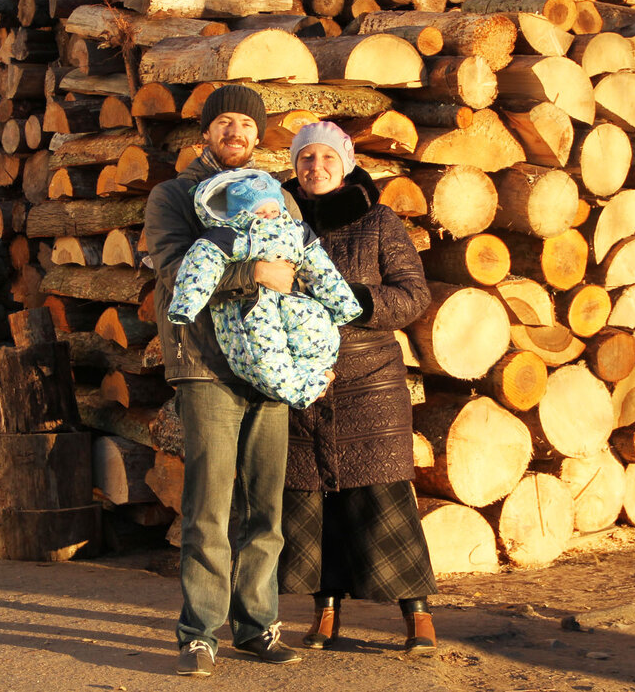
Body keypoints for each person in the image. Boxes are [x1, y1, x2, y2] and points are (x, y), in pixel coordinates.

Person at [144, 85, 303, 677]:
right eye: (224, 122)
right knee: (209, 506)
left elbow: (303, 269)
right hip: (205, 365)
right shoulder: (174, 196)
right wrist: (253, 271)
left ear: (259, 136)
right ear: (205, 134)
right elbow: (174, 266)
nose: (235, 132)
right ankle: (199, 632)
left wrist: (310, 356)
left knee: (266, 506)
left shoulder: (279, 197)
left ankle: (257, 627)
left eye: (245, 124)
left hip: (269, 369)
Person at [277, 121, 440, 655]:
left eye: (326, 158)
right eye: (305, 158)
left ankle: (417, 613)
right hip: (302, 383)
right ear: (295, 166)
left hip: (369, 383)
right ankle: (325, 611)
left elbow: (412, 295)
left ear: (345, 164)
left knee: (382, 494)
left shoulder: (377, 222)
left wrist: (353, 300)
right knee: (313, 501)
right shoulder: (278, 222)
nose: (315, 167)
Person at [167, 167, 362, 409]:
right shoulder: (230, 236)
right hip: (252, 306)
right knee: (265, 356)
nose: (269, 216)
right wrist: (186, 305)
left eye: (273, 209)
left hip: (293, 302)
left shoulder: (295, 230)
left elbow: (321, 269)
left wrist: (343, 303)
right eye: (259, 211)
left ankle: (315, 377)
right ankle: (299, 390)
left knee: (319, 335)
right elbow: (199, 268)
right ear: (239, 214)